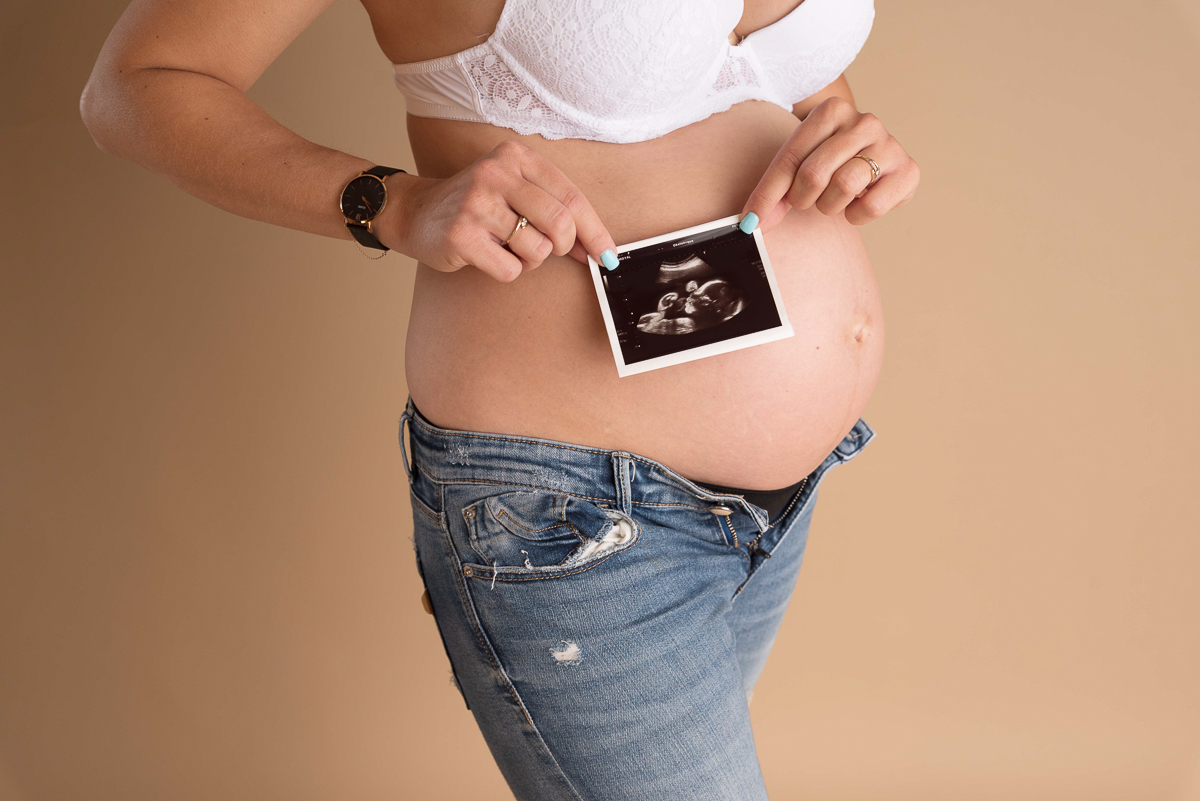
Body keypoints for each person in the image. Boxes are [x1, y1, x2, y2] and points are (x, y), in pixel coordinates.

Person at [81, 0, 919, 797]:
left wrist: (849, 141)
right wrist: (395, 203)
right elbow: (136, 83)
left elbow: (772, 84)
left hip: (780, 500)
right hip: (576, 510)